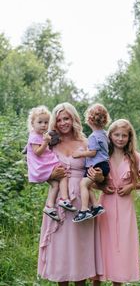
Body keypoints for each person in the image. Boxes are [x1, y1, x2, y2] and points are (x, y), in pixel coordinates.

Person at [37, 102, 103, 285]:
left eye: (66, 118)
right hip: (60, 201)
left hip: (81, 202)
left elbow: (97, 177)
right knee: (61, 249)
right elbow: (36, 171)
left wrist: (98, 177)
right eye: (58, 120)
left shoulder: (86, 143)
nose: (63, 123)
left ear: (73, 118)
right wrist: (51, 175)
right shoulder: (50, 143)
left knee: (80, 249)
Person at [91, 119, 140, 285]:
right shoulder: (102, 155)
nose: (120, 138)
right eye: (116, 135)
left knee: (122, 246)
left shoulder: (134, 157)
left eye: (124, 135)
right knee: (102, 245)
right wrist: (103, 187)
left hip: (125, 207)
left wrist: (132, 186)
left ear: (129, 137)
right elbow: (92, 182)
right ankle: (97, 281)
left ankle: (118, 281)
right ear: (110, 136)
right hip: (105, 206)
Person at [26, 105, 76, 222]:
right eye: (40, 122)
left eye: (46, 122)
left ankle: (49, 206)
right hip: (42, 167)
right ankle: (64, 199)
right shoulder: (34, 136)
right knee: (63, 174)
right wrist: (45, 142)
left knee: (55, 185)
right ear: (32, 124)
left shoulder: (41, 135)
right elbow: (37, 152)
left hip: (44, 165)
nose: (43, 125)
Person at [72, 103, 110, 223]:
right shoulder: (105, 134)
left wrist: (80, 154)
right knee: (87, 186)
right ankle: (96, 206)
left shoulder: (93, 136)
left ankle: (84, 210)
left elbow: (93, 153)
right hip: (104, 165)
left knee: (83, 185)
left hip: (97, 165)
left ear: (89, 120)